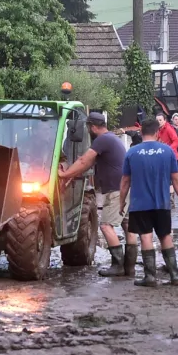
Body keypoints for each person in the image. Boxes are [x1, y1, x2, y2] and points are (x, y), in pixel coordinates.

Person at [120, 118, 178, 287]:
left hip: (139, 204)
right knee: (165, 235)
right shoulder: (167, 151)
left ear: (141, 132)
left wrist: (121, 202)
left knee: (146, 236)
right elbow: (176, 179)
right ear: (157, 132)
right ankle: (175, 275)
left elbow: (125, 181)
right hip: (162, 203)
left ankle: (150, 277)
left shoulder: (132, 153)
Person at [57, 112, 131, 277]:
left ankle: (118, 265)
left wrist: (64, 175)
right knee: (127, 225)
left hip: (115, 190)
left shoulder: (102, 140)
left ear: (92, 127)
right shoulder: (111, 138)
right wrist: (73, 171)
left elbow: (84, 161)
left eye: (88, 127)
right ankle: (130, 265)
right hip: (123, 188)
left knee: (105, 226)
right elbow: (86, 161)